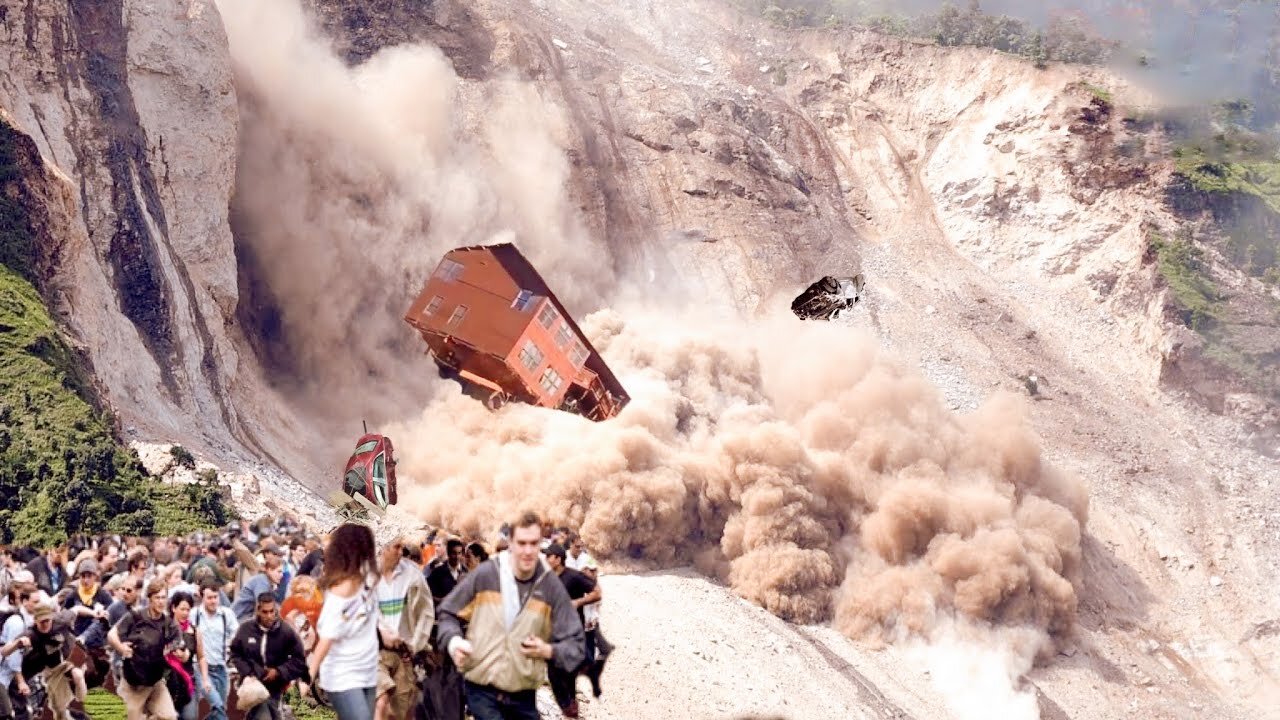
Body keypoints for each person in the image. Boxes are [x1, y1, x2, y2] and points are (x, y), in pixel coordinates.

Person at [437, 511, 585, 720]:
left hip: (522, 696)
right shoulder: (486, 574)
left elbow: (576, 643)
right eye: (521, 543)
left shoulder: (549, 584)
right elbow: (447, 611)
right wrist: (453, 642)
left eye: (533, 544)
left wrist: (548, 650)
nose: (527, 550)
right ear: (512, 543)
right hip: (482, 690)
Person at [308, 524, 379, 720]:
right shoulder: (340, 592)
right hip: (343, 673)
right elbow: (326, 639)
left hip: (368, 671)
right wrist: (310, 673)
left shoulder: (369, 583)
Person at [373, 537, 434, 720]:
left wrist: (416, 644)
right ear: (382, 548)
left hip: (404, 653)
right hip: (373, 652)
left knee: (400, 711)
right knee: (381, 699)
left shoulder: (413, 575)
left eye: (402, 547)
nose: (401, 552)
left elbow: (426, 612)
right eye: (396, 547)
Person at [228, 593, 308, 720]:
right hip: (253, 687)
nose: (269, 616)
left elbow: (299, 660)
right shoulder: (245, 629)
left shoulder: (286, 632)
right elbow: (235, 653)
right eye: (265, 612)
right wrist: (248, 673)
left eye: (272, 611)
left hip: (276, 688)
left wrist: (279, 671)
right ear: (258, 610)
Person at [109, 580, 181, 720]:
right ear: (149, 599)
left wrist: (180, 653)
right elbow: (111, 634)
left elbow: (179, 642)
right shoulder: (135, 616)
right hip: (133, 682)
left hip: (155, 682)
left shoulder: (168, 624)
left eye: (163, 597)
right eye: (157, 598)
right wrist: (121, 647)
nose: (161, 602)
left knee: (169, 716)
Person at [543, 544, 600, 718]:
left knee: (567, 674)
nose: (546, 559)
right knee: (553, 674)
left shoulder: (574, 577)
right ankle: (569, 706)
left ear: (558, 559)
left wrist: (578, 603)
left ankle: (570, 708)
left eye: (549, 556)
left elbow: (596, 593)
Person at [12, 604, 87, 720]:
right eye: (42, 622)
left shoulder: (61, 620)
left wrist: (95, 613)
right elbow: (10, 656)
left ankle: (82, 702)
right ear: (35, 621)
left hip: (64, 662)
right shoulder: (30, 635)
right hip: (45, 671)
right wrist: (18, 644)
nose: (46, 624)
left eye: (48, 620)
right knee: (58, 708)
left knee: (78, 674)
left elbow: (77, 609)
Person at [192, 584, 235, 720]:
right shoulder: (194, 615)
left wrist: (229, 646)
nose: (213, 601)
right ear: (202, 597)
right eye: (209, 597)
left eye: (215, 597)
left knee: (219, 709)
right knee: (217, 705)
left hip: (221, 667)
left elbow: (236, 635)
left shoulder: (226, 614)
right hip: (200, 668)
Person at [165, 592, 208, 720]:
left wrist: (205, 679)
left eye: (188, 609)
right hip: (167, 682)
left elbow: (201, 657)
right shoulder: (164, 628)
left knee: (190, 717)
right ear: (173, 608)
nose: (185, 613)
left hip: (188, 682)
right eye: (182, 609)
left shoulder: (195, 631)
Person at [0, 584, 37, 720]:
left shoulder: (27, 619)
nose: (38, 605)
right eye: (35, 602)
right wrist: (21, 681)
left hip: (8, 677)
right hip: (3, 676)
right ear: (25, 601)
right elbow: (13, 656)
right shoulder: (17, 622)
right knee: (7, 714)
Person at [231, 557, 283, 622]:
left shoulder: (266, 581)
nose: (281, 575)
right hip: (239, 617)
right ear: (269, 570)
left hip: (246, 616)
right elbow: (262, 606)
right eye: (279, 572)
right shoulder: (262, 581)